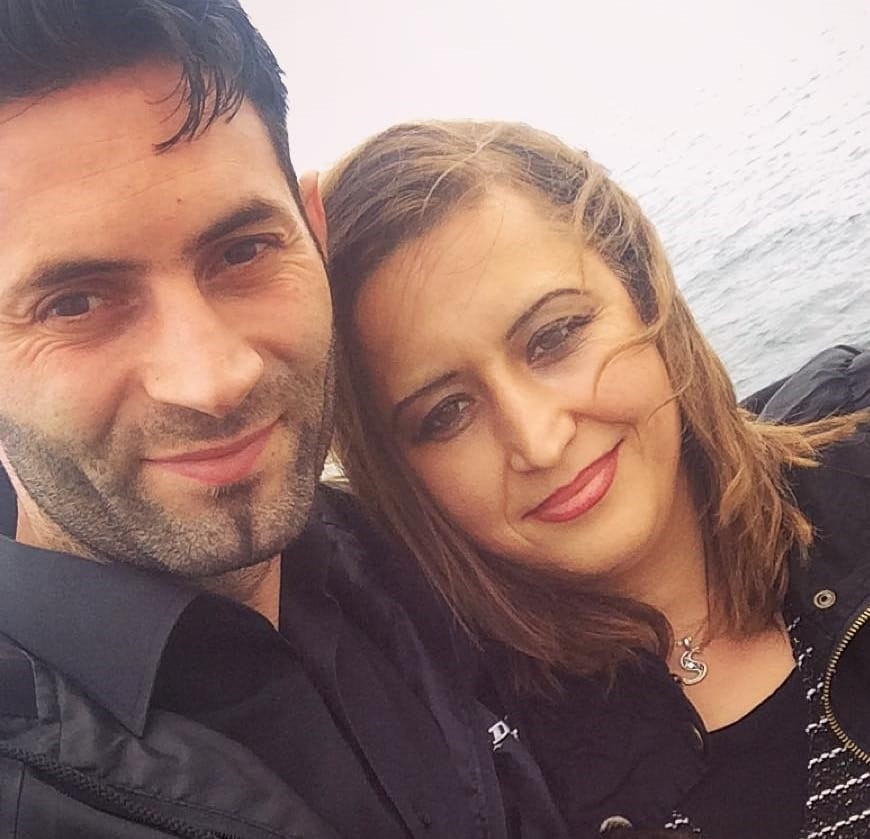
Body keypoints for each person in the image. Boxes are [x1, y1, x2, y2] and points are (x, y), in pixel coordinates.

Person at [0, 6, 580, 837]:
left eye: (242, 250)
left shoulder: (411, 551)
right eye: (75, 302)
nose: (214, 378)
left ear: (314, 230)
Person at [321, 119, 870, 839]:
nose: (538, 439)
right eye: (447, 412)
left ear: (644, 292)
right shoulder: (485, 780)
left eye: (554, 336)